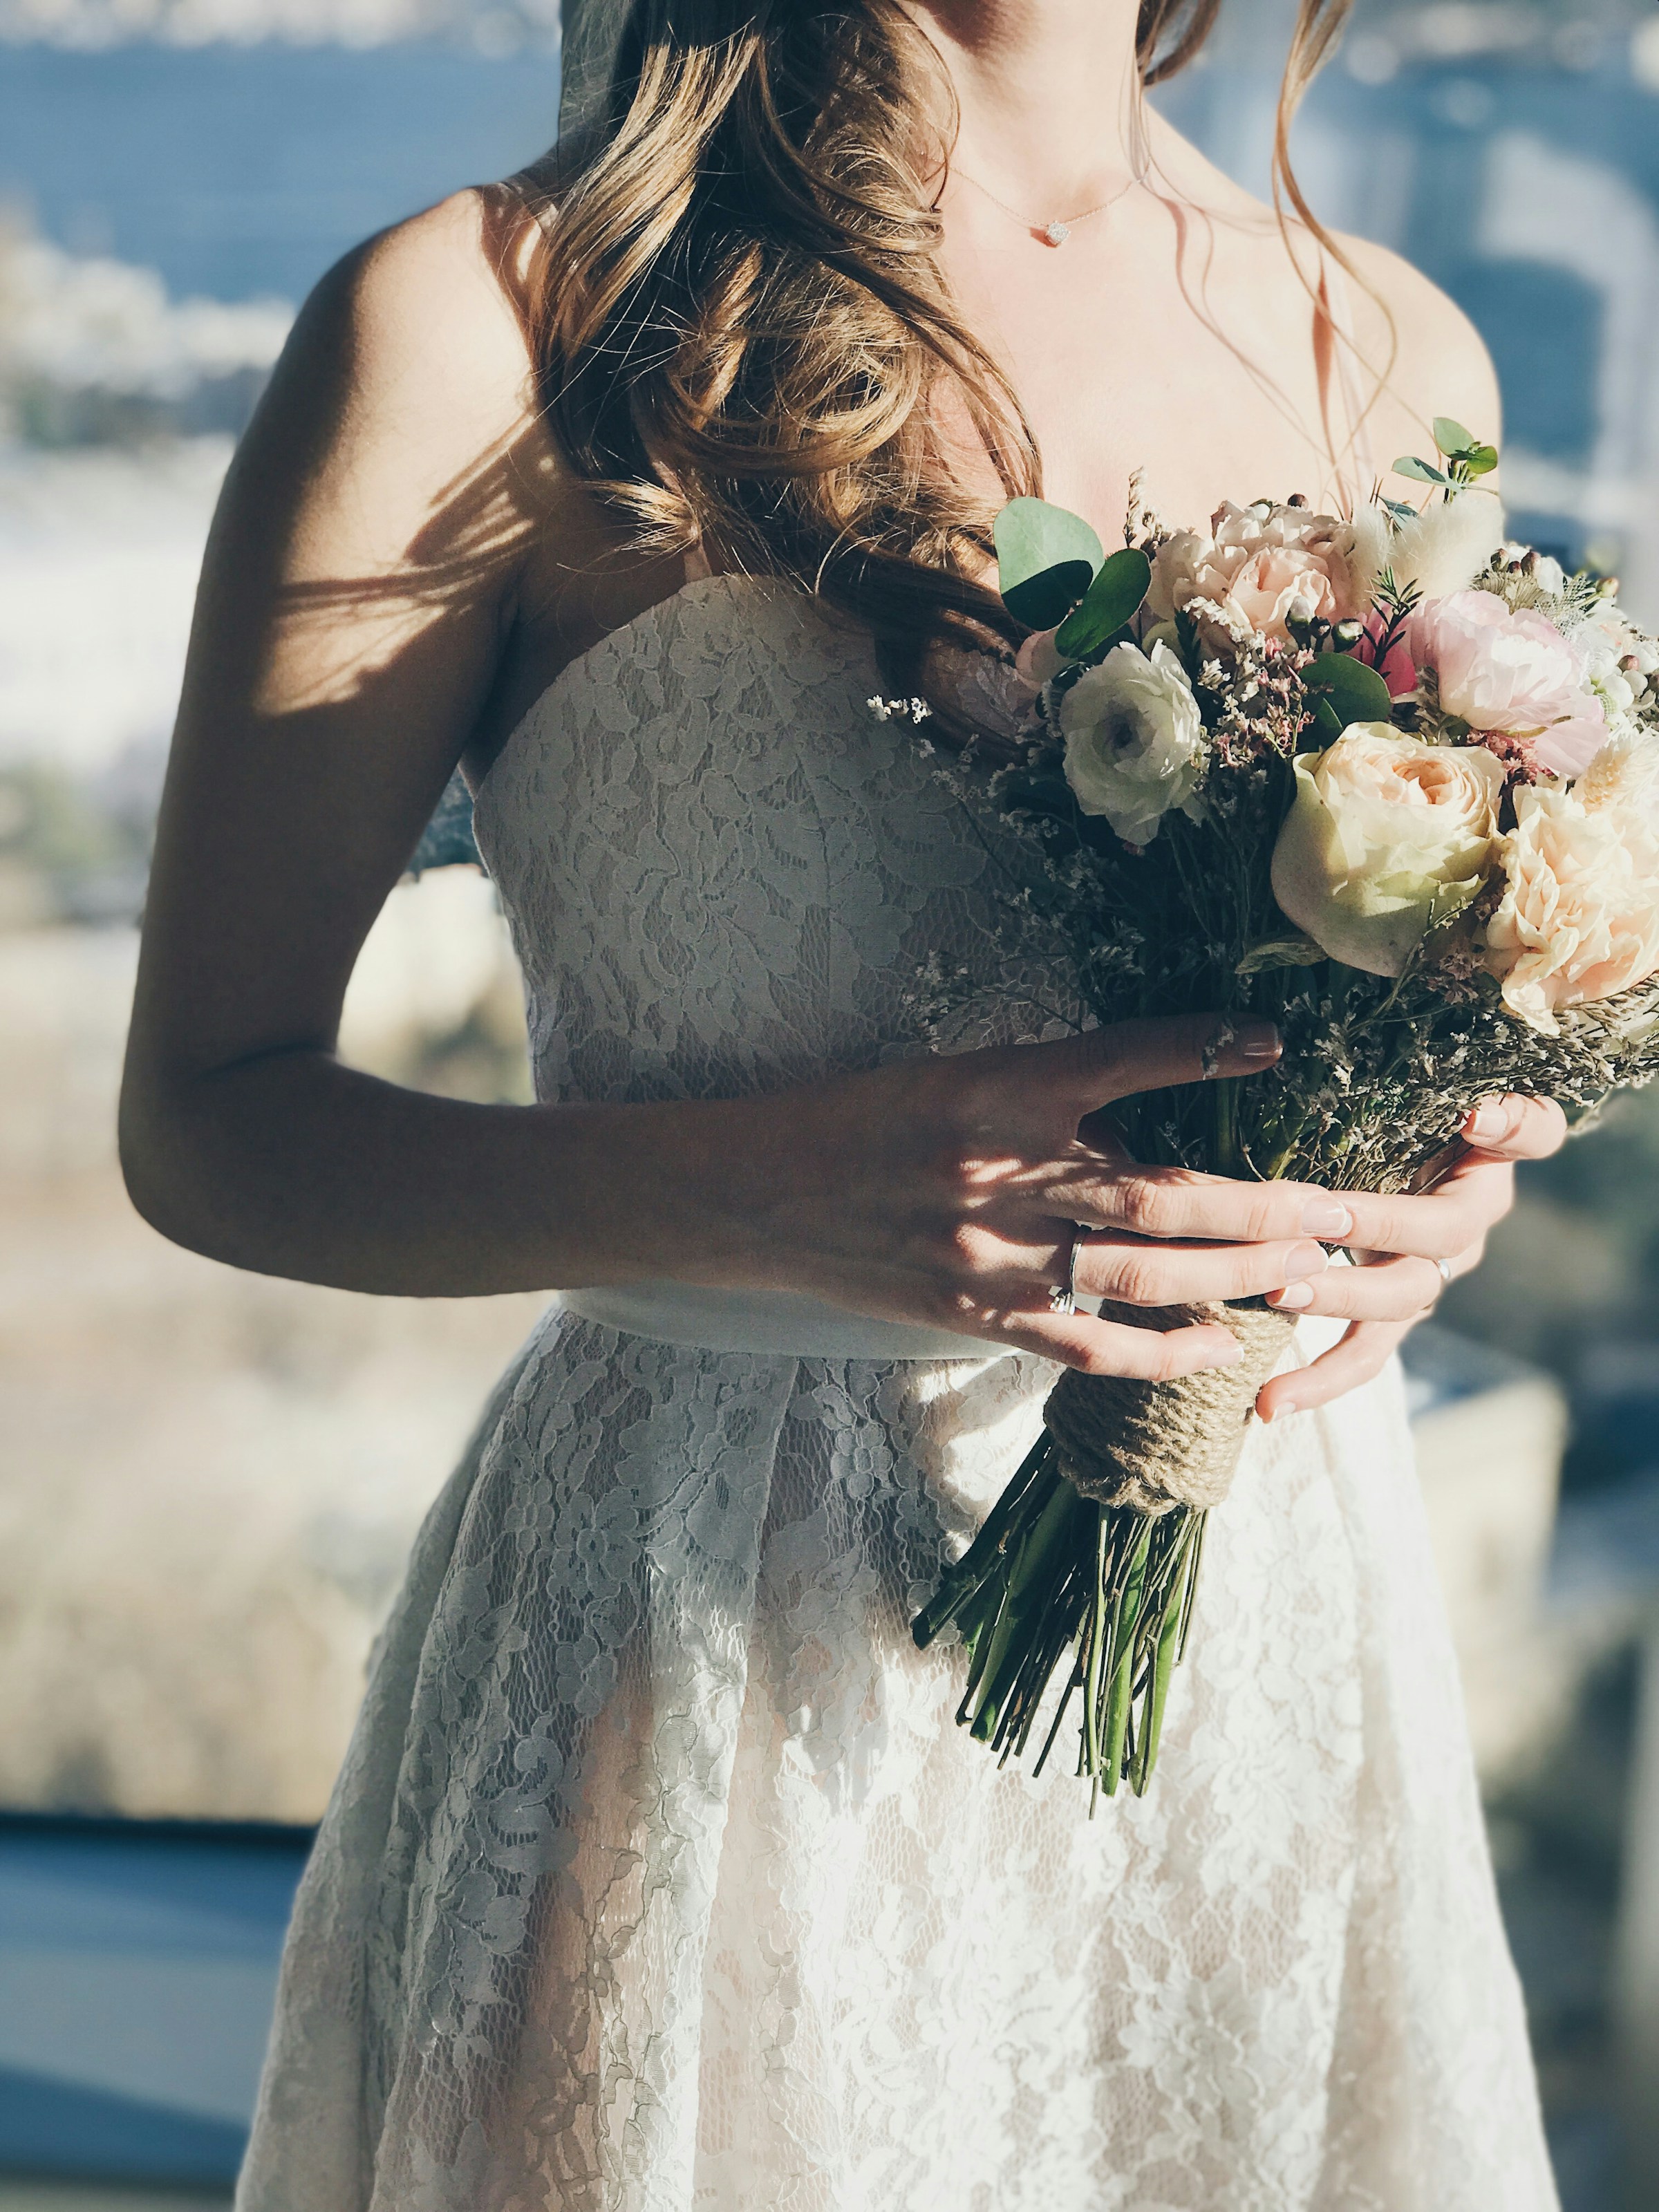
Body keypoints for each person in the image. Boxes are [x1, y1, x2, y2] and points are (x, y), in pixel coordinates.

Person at [119, 0, 1567, 2203]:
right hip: (704, 1672)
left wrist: (1426, 1205)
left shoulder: (1393, 353)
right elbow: (209, 1120)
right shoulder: (489, 321)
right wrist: (763, 1196)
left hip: (1273, 1662)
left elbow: (1387, 1011)